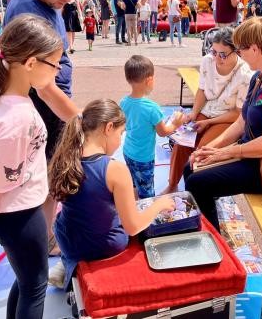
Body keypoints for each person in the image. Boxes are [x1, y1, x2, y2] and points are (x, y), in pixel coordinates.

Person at [0, 15, 65, 318]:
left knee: (27, 280)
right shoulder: (18, 119)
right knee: (35, 287)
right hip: (18, 215)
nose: (56, 73)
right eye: (54, 65)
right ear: (31, 63)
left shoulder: (1, 97)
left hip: (8, 214)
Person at [183, 17, 262, 230]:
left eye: (241, 50)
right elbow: (242, 122)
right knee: (192, 166)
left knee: (197, 181)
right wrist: (210, 148)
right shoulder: (260, 76)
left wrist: (225, 153)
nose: (239, 54)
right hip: (255, 156)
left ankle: (213, 240)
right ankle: (209, 231)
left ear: (256, 49)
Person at [46, 99, 175, 289]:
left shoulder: (64, 156)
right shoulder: (115, 170)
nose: (120, 140)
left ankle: (67, 265)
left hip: (68, 242)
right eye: (121, 133)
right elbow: (133, 227)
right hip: (104, 247)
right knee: (140, 225)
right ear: (108, 128)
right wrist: (160, 204)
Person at [4, 0, 81, 255]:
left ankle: (45, 229)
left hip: (51, 101)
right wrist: (78, 120)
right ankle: (47, 239)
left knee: (50, 170)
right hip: (45, 105)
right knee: (49, 171)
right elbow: (45, 87)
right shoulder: (28, 11)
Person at [163, 27, 253, 195]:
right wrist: (194, 114)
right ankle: (173, 185)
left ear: (236, 52)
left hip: (227, 119)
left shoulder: (245, 74)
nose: (217, 58)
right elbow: (202, 90)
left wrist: (208, 122)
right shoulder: (207, 61)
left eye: (223, 54)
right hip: (206, 111)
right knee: (181, 143)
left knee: (203, 151)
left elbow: (238, 114)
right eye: (214, 52)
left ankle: (199, 193)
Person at [120, 55, 184, 199]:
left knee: (133, 184)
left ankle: (134, 205)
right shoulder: (152, 108)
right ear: (149, 80)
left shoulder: (123, 102)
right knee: (147, 192)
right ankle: (146, 215)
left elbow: (127, 124)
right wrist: (176, 123)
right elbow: (163, 132)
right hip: (144, 158)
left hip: (128, 152)